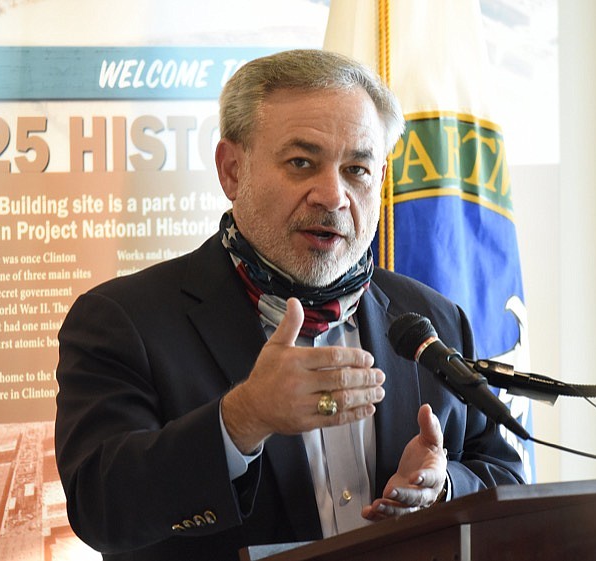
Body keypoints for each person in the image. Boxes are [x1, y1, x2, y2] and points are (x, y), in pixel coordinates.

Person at [54, 49, 525, 561]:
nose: (333, 195)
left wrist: (442, 487)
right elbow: (100, 508)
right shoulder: (124, 320)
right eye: (302, 163)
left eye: (357, 169)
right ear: (232, 170)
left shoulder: (433, 318)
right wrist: (242, 419)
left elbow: (504, 474)